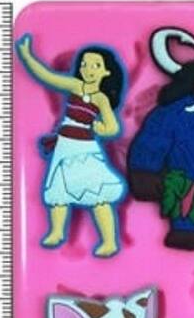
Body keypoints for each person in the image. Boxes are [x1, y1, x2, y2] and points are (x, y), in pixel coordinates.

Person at [16, 34, 127, 257]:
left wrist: (101, 129)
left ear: (106, 72)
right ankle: (57, 232)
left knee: (98, 195)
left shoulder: (101, 99)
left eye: (96, 65)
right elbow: (47, 76)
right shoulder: (75, 85)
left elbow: (113, 127)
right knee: (58, 191)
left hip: (85, 148)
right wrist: (28, 57)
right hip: (64, 146)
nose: (88, 69)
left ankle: (109, 241)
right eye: (85, 64)